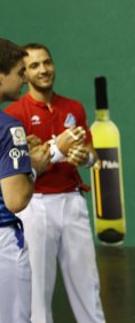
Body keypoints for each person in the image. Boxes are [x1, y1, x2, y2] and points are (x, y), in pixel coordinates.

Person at [5, 43, 105, 323]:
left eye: (47, 62)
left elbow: (92, 156)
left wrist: (84, 156)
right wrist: (56, 147)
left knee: (89, 285)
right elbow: (22, 165)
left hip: (72, 202)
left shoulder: (73, 107)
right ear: (23, 74)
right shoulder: (15, 114)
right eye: (34, 66)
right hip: (34, 206)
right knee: (37, 291)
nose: (44, 69)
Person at [0, 38, 49, 323]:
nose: (25, 79)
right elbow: (16, 199)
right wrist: (34, 168)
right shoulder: (9, 127)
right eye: (20, 72)